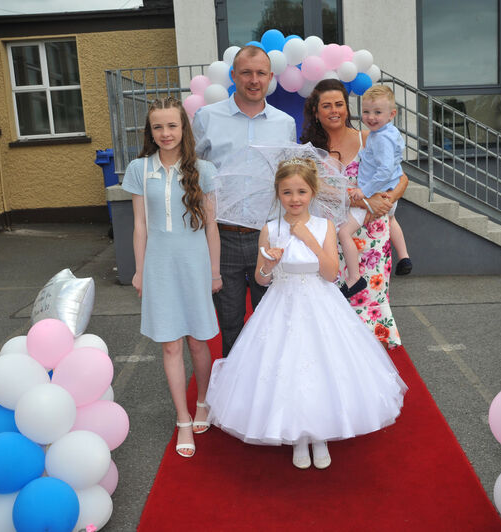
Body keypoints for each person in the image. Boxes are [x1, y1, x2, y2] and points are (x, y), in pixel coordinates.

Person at [205, 158, 406, 470]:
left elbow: (329, 273)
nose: (294, 198)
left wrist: (309, 240)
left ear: (312, 192)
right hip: (281, 303)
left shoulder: (324, 226)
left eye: (301, 191)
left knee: (322, 367)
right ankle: (298, 436)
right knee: (288, 368)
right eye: (287, 192)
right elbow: (260, 279)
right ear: (278, 195)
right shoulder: (270, 229)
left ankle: (321, 433)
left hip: (319, 300)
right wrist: (269, 264)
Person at [122, 97, 222, 458]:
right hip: (158, 266)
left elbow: (212, 228)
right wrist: (139, 270)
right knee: (169, 344)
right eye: (158, 127)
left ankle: (204, 402)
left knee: (198, 342)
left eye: (172, 126)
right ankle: (182, 418)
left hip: (194, 265)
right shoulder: (138, 169)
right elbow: (139, 225)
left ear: (184, 129)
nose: (165, 133)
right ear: (150, 132)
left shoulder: (203, 169)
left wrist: (213, 272)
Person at [193, 45, 297, 357]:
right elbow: (190, 172)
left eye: (261, 73)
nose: (254, 80)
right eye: (246, 73)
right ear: (233, 76)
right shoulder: (206, 118)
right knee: (230, 325)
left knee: (272, 322)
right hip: (221, 238)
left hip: (269, 238)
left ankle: (268, 394)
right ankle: (233, 398)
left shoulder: (284, 123)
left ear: (270, 78)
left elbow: (291, 179)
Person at [300, 79, 406, 348]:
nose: (334, 110)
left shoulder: (368, 137)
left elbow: (401, 178)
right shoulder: (309, 151)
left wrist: (387, 199)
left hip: (371, 237)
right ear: (315, 111)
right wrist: (362, 202)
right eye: (326, 105)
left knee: (370, 300)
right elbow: (310, 190)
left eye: (339, 104)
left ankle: (372, 372)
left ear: (347, 108)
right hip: (329, 236)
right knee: (333, 304)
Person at [337, 85, 412, 299]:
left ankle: (354, 277)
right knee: (391, 219)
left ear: (392, 114)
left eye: (377, 112)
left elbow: (384, 169)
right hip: (390, 190)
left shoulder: (379, 138)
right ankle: (404, 256)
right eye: (367, 111)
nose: (371, 117)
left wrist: (364, 191)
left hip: (375, 193)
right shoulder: (390, 132)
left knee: (343, 232)